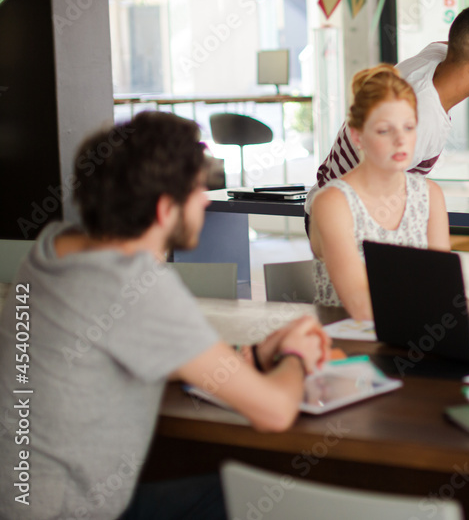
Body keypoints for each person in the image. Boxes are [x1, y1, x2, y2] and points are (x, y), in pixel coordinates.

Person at [0, 112, 330, 520]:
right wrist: (295, 354)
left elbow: (124, 346)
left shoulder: (52, 248)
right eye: (196, 190)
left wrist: (255, 355)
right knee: (261, 495)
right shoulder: (132, 284)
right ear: (163, 210)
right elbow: (275, 411)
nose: (205, 199)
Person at [304, 5, 469, 230]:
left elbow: (454, 44)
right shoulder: (419, 119)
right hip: (342, 224)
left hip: (329, 205)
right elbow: (370, 201)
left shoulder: (432, 58)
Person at [309, 64, 469, 325]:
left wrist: (465, 304)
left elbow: (439, 284)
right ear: (357, 136)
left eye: (409, 127)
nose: (400, 140)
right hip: (351, 348)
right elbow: (362, 307)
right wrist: (446, 303)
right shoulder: (332, 202)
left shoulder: (429, 194)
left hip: (416, 335)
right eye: (384, 130)